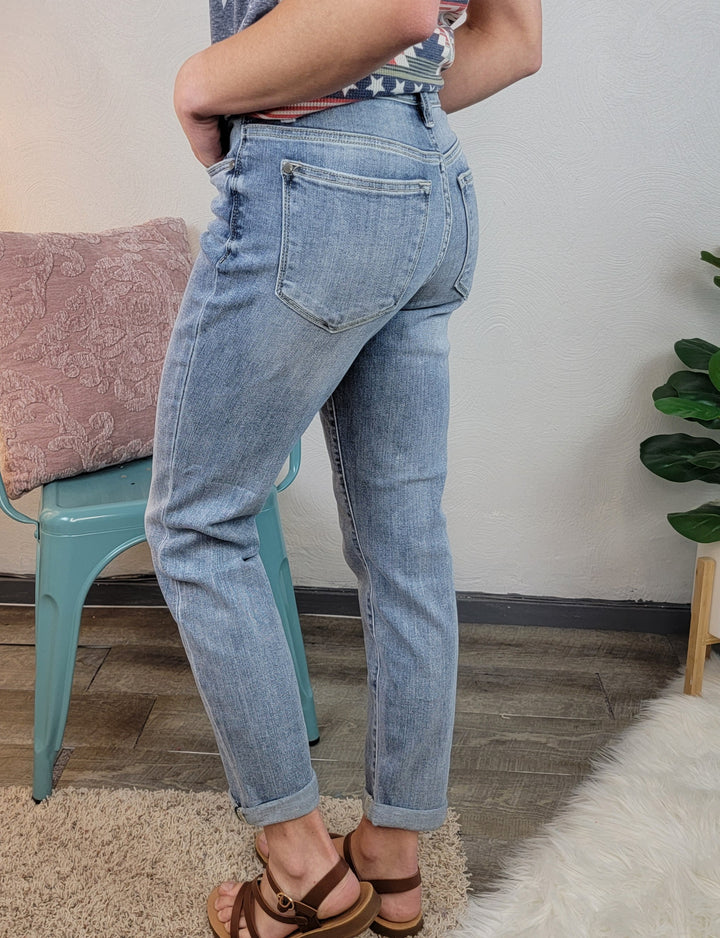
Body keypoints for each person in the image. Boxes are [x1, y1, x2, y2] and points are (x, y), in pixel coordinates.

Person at [145, 2, 541, 937]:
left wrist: (202, 82)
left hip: (318, 179)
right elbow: (514, 38)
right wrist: (386, 106)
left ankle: (301, 871)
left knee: (197, 525)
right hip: (429, 174)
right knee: (404, 542)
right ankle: (391, 862)